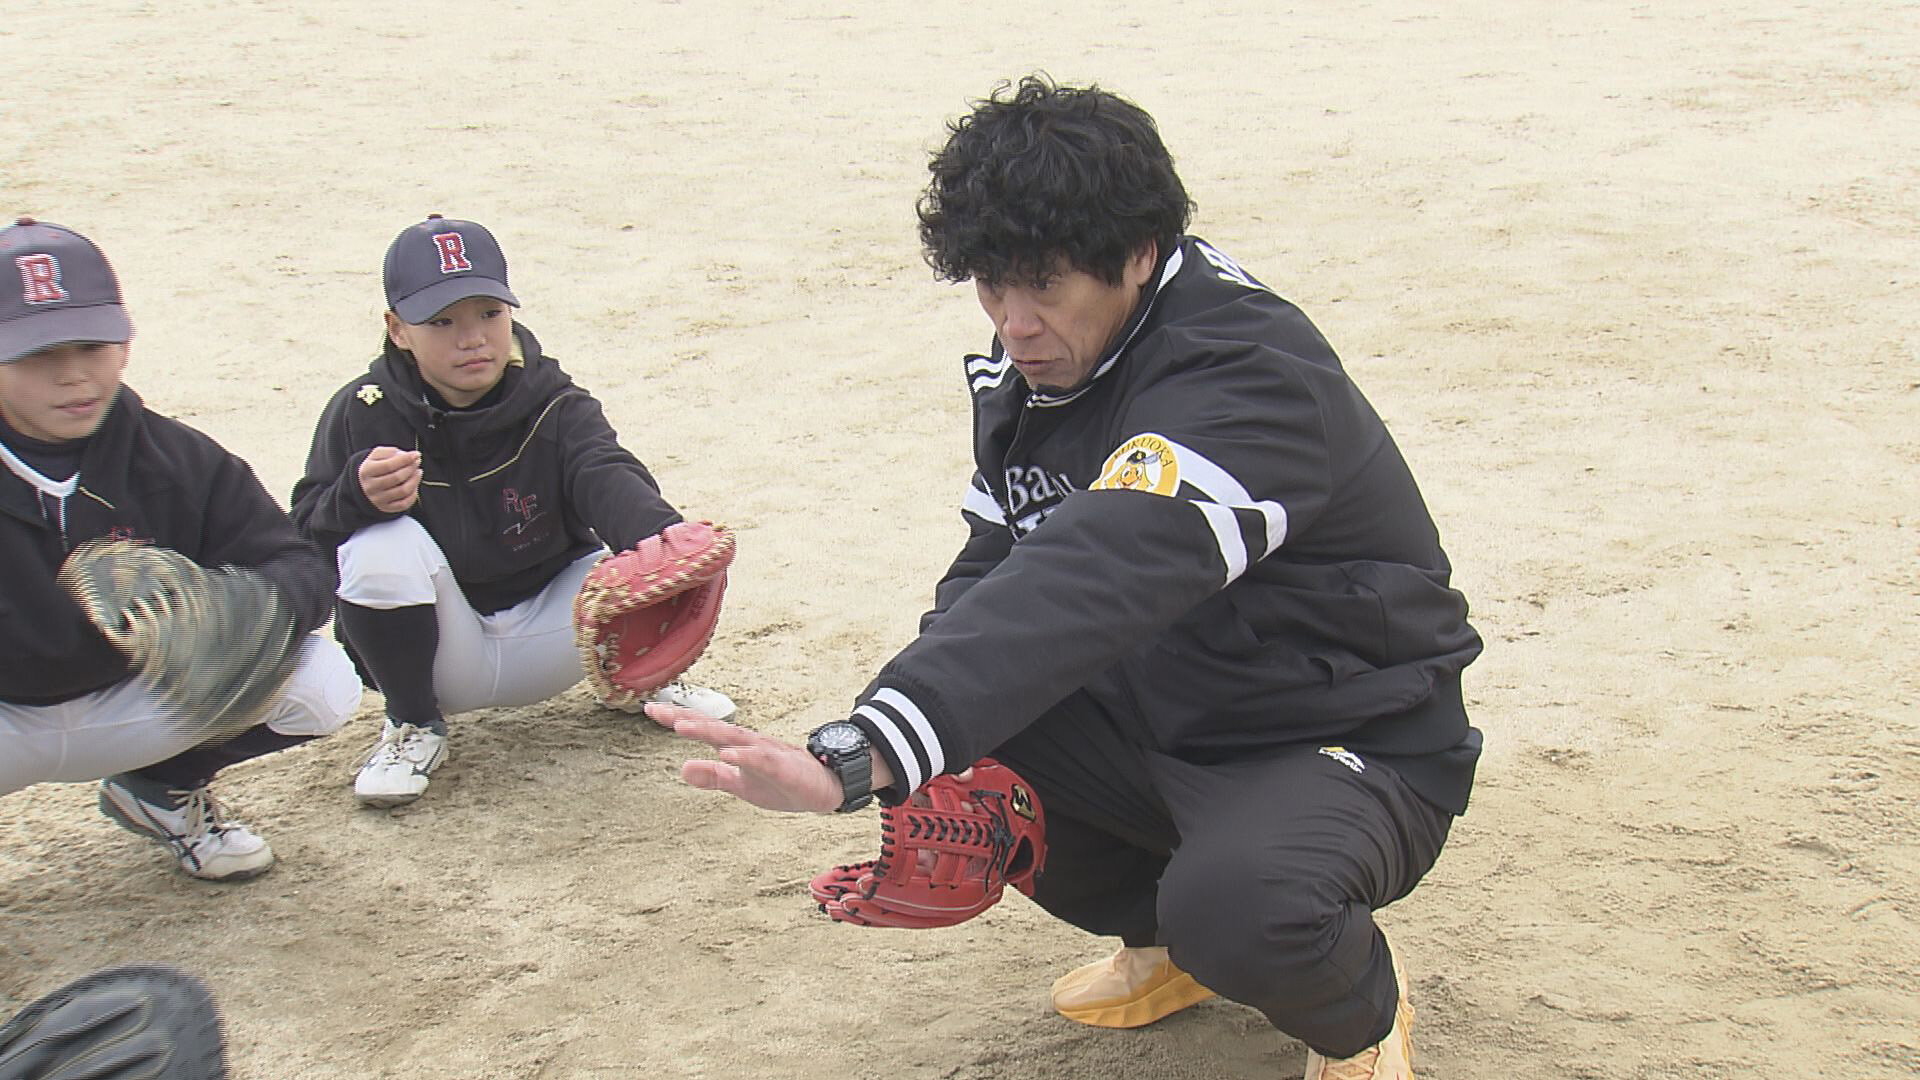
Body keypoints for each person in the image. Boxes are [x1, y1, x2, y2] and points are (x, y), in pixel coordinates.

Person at [651, 76, 1482, 1080]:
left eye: (1044, 284)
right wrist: (915, 747)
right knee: (968, 751)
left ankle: (1356, 1012)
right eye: (992, 286)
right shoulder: (1038, 372)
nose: (1014, 320)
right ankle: (1167, 944)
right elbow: (996, 566)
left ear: (1139, 254)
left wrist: (863, 751)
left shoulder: (1247, 373)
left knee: (1243, 909)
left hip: (1338, 736)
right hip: (1166, 714)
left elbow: (1100, 571)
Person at [290, 215, 736, 809]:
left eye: (488, 313)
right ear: (398, 330)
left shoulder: (555, 401)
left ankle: (641, 682)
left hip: (561, 639)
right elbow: (303, 545)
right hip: (439, 653)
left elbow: (602, 470)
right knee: (377, 544)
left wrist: (663, 534)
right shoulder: (360, 415)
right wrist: (352, 498)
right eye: (442, 321)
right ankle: (414, 724)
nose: (470, 337)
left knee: (628, 560)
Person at [0, 218, 361, 881]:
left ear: (126, 344)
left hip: (136, 704)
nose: (74, 376)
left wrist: (234, 607)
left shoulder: (173, 459)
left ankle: (159, 790)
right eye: (38, 355)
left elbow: (300, 564)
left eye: (92, 344)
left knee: (321, 682)